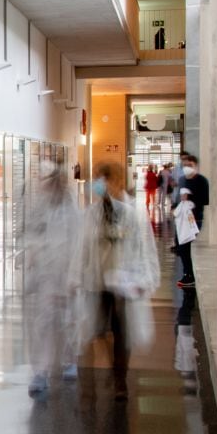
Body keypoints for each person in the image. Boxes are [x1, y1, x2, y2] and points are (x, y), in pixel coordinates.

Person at [76, 162, 159, 400]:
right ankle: (108, 371)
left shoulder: (132, 213)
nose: (98, 185)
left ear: (116, 181)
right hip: (97, 282)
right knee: (97, 330)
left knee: (122, 332)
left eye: (103, 179)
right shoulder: (91, 214)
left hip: (123, 285)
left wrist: (146, 278)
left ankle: (119, 378)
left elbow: (145, 249)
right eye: (96, 179)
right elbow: (81, 248)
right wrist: (76, 276)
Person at [24, 161, 81, 396]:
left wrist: (74, 276)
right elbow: (31, 233)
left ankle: (69, 361)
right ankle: (40, 371)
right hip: (46, 274)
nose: (41, 184)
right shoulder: (39, 207)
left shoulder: (70, 208)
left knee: (68, 320)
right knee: (44, 322)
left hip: (66, 273)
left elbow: (77, 241)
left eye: (45, 180)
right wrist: (33, 252)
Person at [175, 155, 209, 287]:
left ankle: (189, 275)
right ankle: (187, 274)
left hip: (195, 218)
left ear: (195, 166)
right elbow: (178, 198)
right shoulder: (182, 179)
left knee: (185, 246)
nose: (187, 168)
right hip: (182, 219)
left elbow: (205, 200)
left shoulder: (202, 181)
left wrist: (190, 197)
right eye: (185, 166)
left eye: (189, 165)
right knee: (182, 248)